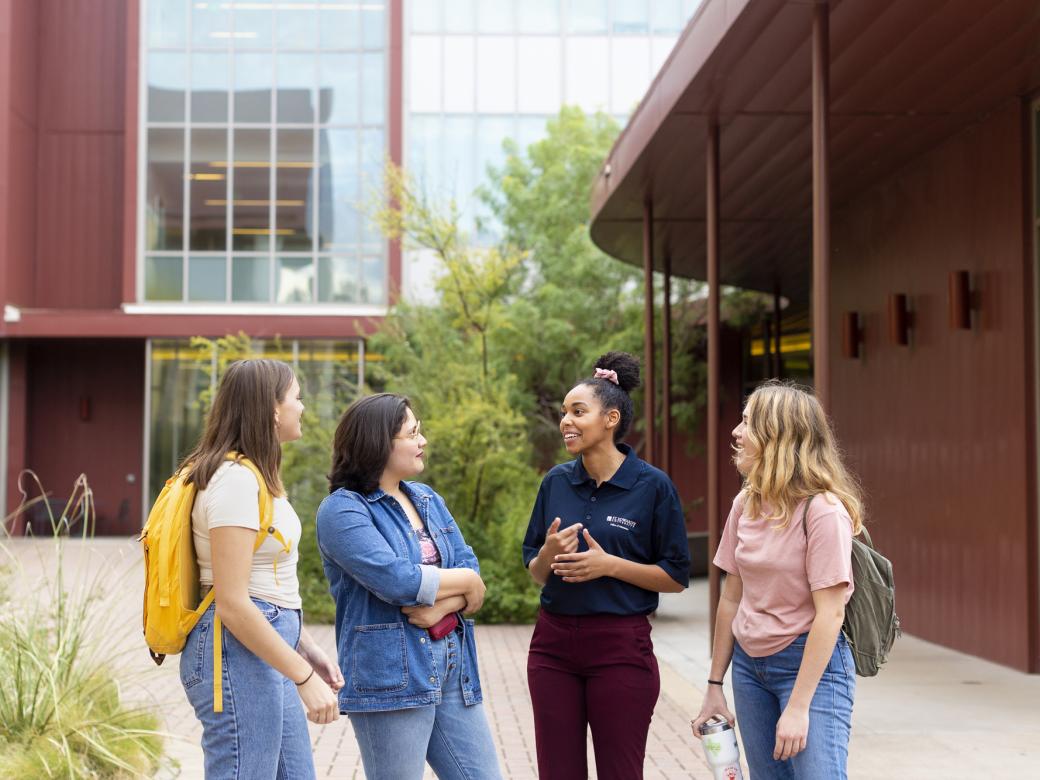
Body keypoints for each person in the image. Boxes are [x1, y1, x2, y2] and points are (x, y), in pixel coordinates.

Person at [522, 351, 691, 780]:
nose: (566, 421)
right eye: (564, 412)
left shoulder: (652, 486)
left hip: (620, 647)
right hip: (552, 645)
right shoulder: (555, 482)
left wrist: (609, 565)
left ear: (611, 418)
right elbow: (535, 570)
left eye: (579, 411)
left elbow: (675, 576)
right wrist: (548, 554)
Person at [315, 393, 502, 780]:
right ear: (380, 443)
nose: (423, 441)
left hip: (454, 665)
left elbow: (472, 568)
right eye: (413, 433)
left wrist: (439, 606)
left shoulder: (428, 499)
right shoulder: (343, 510)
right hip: (391, 677)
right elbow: (396, 580)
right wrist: (464, 585)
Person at [179, 358, 342, 780]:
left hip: (264, 650)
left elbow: (262, 585)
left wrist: (303, 645)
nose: (302, 407)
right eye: (297, 398)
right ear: (272, 409)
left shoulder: (254, 475)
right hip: (235, 654)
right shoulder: (234, 479)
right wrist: (303, 677)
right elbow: (233, 603)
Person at [692, 380, 862, 779]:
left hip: (808, 664)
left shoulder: (823, 512)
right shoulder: (746, 502)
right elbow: (731, 599)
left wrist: (799, 706)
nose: (736, 432)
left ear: (780, 437)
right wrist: (715, 683)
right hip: (750, 668)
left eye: (748, 422)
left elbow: (831, 614)